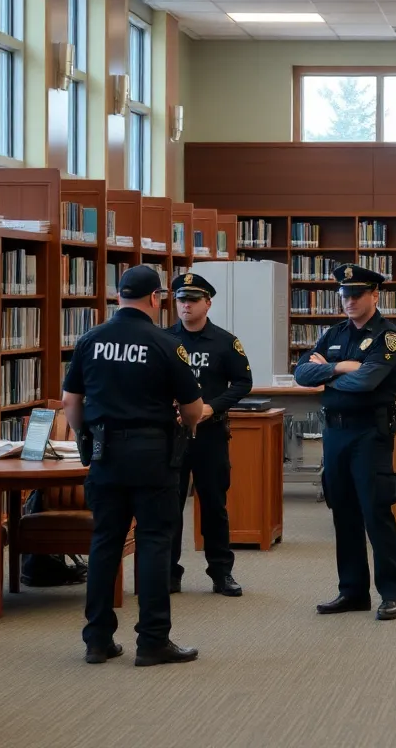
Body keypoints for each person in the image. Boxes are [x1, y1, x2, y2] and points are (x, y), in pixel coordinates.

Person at [62, 266, 204, 666]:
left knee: (105, 542)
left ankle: (97, 639)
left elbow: (71, 402)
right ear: (156, 299)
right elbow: (192, 408)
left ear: (118, 297)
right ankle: (153, 640)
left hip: (106, 453)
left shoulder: (90, 340)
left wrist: (86, 438)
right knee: (154, 543)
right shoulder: (165, 342)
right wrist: (187, 423)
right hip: (152, 455)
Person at [293, 263, 396, 621]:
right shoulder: (334, 333)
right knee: (342, 513)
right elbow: (301, 374)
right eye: (344, 294)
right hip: (335, 433)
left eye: (357, 294)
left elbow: (367, 382)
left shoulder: (387, 337)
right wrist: (342, 367)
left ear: (375, 295)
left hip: (368, 434)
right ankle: (352, 590)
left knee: (375, 512)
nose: (349, 300)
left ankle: (392, 593)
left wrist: (325, 371)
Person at [166, 273, 253, 598]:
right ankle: (168, 573)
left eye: (193, 300)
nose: (186, 305)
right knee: (169, 506)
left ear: (208, 303)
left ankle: (221, 573)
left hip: (210, 434)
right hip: (172, 435)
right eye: (181, 300)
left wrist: (212, 408)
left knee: (214, 505)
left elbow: (243, 383)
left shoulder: (225, 342)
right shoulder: (164, 339)